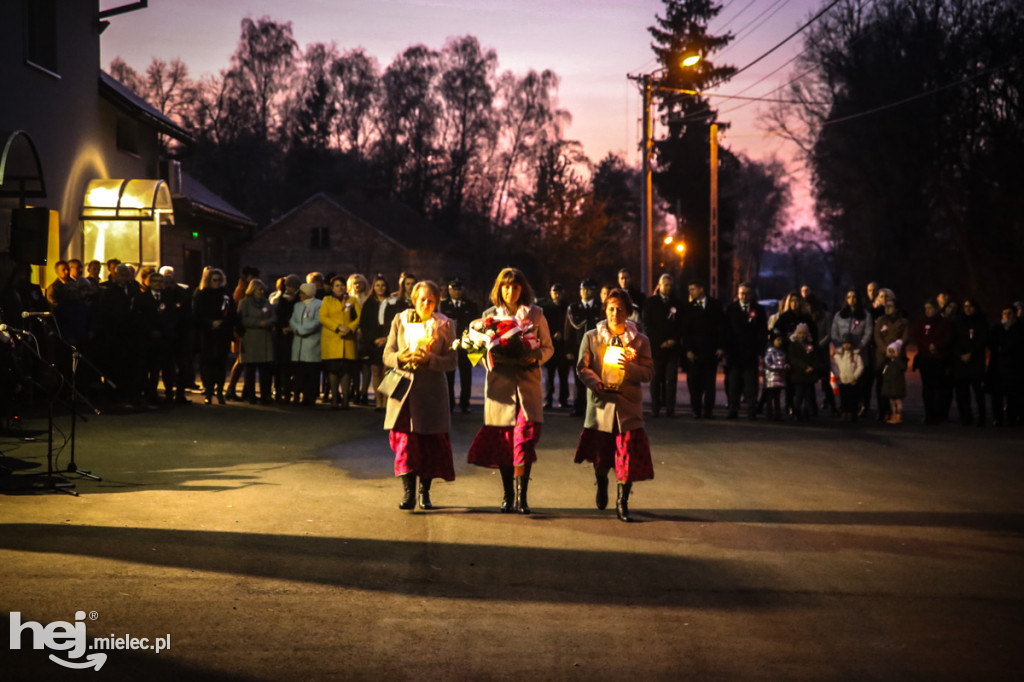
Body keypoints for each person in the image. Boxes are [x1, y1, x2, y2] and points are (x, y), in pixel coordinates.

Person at [467, 267, 554, 514]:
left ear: (522, 289)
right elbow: (475, 350)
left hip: (527, 386)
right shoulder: (488, 316)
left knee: (523, 441)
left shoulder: (536, 315)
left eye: (515, 286)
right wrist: (490, 360)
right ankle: (507, 495)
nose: (510, 291)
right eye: (506, 286)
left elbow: (548, 348)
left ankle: (521, 496)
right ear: (499, 289)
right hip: (500, 388)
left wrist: (535, 357)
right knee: (504, 444)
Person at [574, 288, 654, 522]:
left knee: (626, 457)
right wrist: (596, 384)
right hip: (601, 406)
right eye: (611, 308)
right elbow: (582, 367)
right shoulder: (591, 336)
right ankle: (601, 482)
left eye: (620, 309)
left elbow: (649, 372)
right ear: (604, 310)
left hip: (627, 407)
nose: (615, 313)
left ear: (628, 312)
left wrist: (629, 368)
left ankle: (622, 502)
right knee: (602, 458)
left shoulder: (640, 341)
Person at [383, 280, 458, 510]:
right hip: (405, 392)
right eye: (422, 299)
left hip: (431, 393)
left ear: (437, 302)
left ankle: (424, 492)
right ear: (414, 299)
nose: (426, 304)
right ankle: (408, 493)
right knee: (406, 443)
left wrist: (430, 360)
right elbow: (387, 354)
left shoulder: (445, 325)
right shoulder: (400, 320)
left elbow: (452, 361)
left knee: (428, 443)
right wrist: (401, 358)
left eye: (431, 300)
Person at [681, 280, 725, 419]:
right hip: (694, 353)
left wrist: (721, 347)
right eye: (690, 289)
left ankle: (708, 410)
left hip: (711, 351)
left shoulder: (715, 305)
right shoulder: (688, 308)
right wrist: (688, 349)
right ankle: (696, 409)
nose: (691, 292)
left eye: (693, 289)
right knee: (694, 383)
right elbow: (685, 331)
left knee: (709, 383)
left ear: (701, 289)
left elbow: (722, 328)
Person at [723, 282, 766, 419]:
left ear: (751, 295)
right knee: (733, 383)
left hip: (751, 352)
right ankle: (733, 409)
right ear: (738, 293)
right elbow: (726, 330)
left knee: (751, 383)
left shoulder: (758, 310)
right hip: (734, 353)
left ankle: (751, 409)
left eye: (747, 293)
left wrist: (760, 351)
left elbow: (762, 331)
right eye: (742, 293)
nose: (744, 296)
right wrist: (726, 349)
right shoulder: (731, 309)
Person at [642, 273, 682, 418]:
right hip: (656, 348)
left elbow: (681, 325)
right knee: (656, 379)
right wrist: (660, 342)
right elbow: (647, 324)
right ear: (660, 285)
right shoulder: (651, 303)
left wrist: (674, 340)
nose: (668, 288)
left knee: (671, 380)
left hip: (672, 348)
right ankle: (655, 408)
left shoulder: (677, 303)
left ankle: (670, 407)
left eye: (670, 285)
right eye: (665, 285)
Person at [192, 268, 234, 405]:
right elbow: (196, 314)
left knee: (220, 364)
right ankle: (208, 391)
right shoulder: (201, 294)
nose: (217, 283)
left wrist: (223, 322)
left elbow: (232, 313)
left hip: (222, 333)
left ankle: (220, 391)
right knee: (207, 363)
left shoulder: (225, 295)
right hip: (207, 333)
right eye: (214, 280)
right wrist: (210, 322)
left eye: (219, 280)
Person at [439, 277, 480, 413]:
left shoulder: (470, 305)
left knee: (466, 376)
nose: (457, 292)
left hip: (465, 344)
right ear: (449, 290)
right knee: (449, 376)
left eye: (459, 289)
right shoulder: (443, 306)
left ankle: (465, 403)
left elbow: (476, 324)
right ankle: (449, 403)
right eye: (454, 289)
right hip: (449, 345)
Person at [320, 275, 361, 409]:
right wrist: (337, 327)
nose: (340, 288)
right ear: (332, 288)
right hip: (332, 339)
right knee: (333, 371)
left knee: (346, 371)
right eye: (337, 285)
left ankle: (345, 400)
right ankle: (334, 399)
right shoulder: (327, 300)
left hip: (348, 339)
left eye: (342, 285)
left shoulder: (353, 300)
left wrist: (350, 328)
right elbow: (323, 317)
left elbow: (359, 317)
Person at [361, 274, 401, 411]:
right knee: (376, 371)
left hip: (388, 340)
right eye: (377, 285)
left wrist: (386, 338)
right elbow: (364, 324)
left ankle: (386, 401)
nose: (380, 288)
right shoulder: (369, 303)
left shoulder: (393, 302)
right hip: (374, 342)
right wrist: (374, 339)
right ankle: (378, 401)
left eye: (383, 285)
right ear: (373, 287)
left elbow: (396, 323)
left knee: (388, 371)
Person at [830, 289, 873, 415]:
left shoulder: (865, 315)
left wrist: (860, 346)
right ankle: (845, 408)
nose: (851, 300)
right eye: (849, 297)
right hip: (843, 353)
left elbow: (868, 332)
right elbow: (834, 332)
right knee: (844, 384)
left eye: (854, 297)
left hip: (859, 352)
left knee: (858, 382)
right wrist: (840, 346)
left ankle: (857, 407)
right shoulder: (839, 315)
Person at [565, 279, 603, 416]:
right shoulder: (573, 308)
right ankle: (578, 406)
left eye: (589, 289)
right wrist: (568, 350)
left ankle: (593, 407)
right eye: (583, 290)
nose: (586, 292)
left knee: (595, 378)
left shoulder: (600, 307)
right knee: (579, 379)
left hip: (596, 349)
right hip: (578, 348)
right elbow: (568, 331)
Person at [911, 299, 953, 424]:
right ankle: (928, 414)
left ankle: (940, 414)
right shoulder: (921, 322)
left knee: (939, 388)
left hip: (939, 359)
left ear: (936, 309)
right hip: (926, 359)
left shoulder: (944, 322)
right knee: (927, 389)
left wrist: (937, 346)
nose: (928, 311)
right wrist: (927, 347)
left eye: (930, 308)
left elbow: (948, 338)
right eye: (926, 308)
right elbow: (918, 337)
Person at [871, 289, 907, 421]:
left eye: (890, 305)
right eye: (886, 306)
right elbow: (877, 336)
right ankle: (882, 410)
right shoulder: (880, 320)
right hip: (882, 356)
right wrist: (885, 348)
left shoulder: (903, 321)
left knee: (894, 384)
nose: (887, 307)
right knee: (881, 384)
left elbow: (905, 336)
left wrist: (895, 347)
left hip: (896, 356)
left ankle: (895, 411)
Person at [238, 278, 275, 404]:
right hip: (251, 339)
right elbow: (243, 319)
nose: (262, 292)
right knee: (250, 369)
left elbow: (273, 316)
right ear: (253, 290)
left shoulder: (266, 302)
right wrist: (259, 323)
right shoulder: (244, 303)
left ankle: (265, 395)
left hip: (264, 339)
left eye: (263, 289)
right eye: (259, 289)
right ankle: (251, 395)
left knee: (265, 369)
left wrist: (268, 322)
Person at [952, 298, 988, 427]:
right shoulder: (959, 322)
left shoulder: (981, 322)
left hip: (975, 361)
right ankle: (966, 416)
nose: (967, 309)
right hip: (961, 361)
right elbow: (954, 340)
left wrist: (971, 354)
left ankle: (982, 416)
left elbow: (983, 341)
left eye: (970, 306)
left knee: (978, 391)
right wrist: (960, 354)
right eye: (965, 306)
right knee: (962, 392)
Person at [987, 305, 1024, 426]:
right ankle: (998, 418)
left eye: (1009, 313)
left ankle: (1011, 418)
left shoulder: (1019, 329)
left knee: (1013, 395)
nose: (1007, 316)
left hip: (1014, 366)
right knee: (997, 395)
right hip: (998, 366)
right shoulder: (997, 328)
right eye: (1004, 313)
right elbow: (990, 343)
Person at [289, 283, 323, 407]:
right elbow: (292, 320)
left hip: (312, 344)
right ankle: (298, 394)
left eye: (302, 293)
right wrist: (297, 328)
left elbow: (316, 322)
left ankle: (310, 397)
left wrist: (302, 330)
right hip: (298, 344)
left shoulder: (319, 304)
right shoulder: (297, 306)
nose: (300, 295)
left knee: (311, 373)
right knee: (299, 373)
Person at [539, 283, 571, 410]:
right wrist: (551, 334)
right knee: (549, 376)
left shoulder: (567, 308)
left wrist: (562, 334)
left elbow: (570, 325)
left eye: (558, 292)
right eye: (554, 292)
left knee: (564, 376)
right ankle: (548, 399)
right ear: (550, 293)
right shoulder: (545, 308)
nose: (556, 295)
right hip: (549, 345)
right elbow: (542, 325)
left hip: (563, 346)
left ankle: (563, 399)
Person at [347, 273, 372, 405]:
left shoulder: (369, 299)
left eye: (360, 283)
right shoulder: (348, 300)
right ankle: (355, 391)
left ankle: (364, 392)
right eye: (355, 283)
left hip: (366, 336)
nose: (357, 285)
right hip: (352, 335)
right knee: (354, 367)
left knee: (366, 366)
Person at [831, 333, 865, 422]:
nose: (846, 345)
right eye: (845, 343)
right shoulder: (838, 355)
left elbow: (860, 366)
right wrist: (837, 375)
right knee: (843, 398)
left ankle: (852, 413)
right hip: (842, 380)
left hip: (852, 380)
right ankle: (844, 412)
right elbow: (834, 366)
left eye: (849, 343)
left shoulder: (856, 355)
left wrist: (855, 376)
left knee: (852, 398)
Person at [788, 323, 818, 420]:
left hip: (809, 375)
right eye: (800, 333)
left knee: (808, 395)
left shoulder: (810, 344)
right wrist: (804, 366)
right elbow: (793, 359)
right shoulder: (793, 344)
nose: (802, 335)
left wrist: (812, 367)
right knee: (799, 394)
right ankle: (797, 412)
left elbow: (815, 357)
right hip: (798, 374)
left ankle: (806, 412)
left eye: (804, 333)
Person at [763, 330, 788, 421]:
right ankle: (770, 413)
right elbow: (768, 363)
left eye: (780, 340)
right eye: (778, 340)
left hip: (779, 378)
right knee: (770, 397)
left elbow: (784, 361)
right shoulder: (770, 351)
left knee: (777, 397)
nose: (780, 342)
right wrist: (780, 367)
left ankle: (777, 413)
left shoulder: (781, 351)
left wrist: (785, 366)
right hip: (771, 378)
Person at [880, 341, 908, 424]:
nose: (891, 353)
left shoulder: (900, 361)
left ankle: (899, 416)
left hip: (898, 385)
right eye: (890, 351)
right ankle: (893, 414)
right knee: (892, 402)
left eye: (893, 351)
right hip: (889, 385)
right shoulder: (887, 361)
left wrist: (896, 359)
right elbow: (881, 370)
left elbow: (903, 367)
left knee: (898, 402)